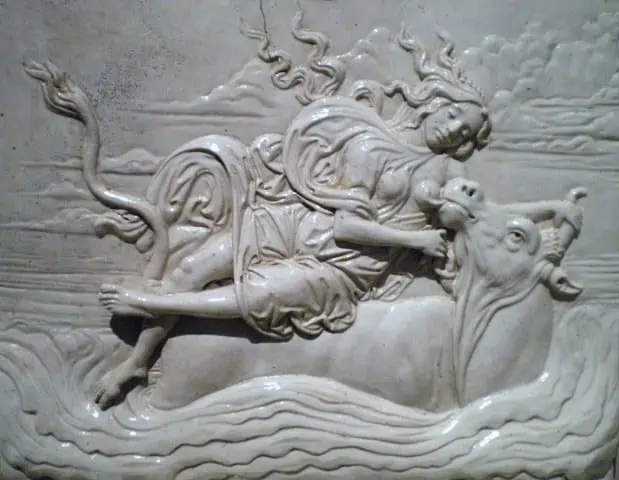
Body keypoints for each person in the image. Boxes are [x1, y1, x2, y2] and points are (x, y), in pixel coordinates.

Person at [95, 31, 491, 407]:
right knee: (191, 267)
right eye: (454, 114)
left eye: (464, 132)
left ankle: (146, 301)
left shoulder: (448, 170)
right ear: (437, 102)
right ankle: (136, 363)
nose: (453, 129)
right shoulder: (369, 135)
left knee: (257, 296)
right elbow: (339, 214)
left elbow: (478, 222)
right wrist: (414, 239)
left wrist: (444, 238)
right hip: (301, 224)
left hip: (343, 267)